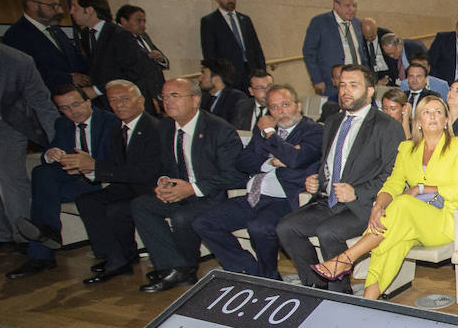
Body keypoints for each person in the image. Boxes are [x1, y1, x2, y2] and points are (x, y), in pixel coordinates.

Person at [312, 95, 458, 299]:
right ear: (418, 121)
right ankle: (368, 301)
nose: (432, 117)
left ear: (446, 120)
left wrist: (419, 189)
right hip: (410, 221)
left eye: (438, 112)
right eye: (426, 112)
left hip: (445, 221)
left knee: (403, 203)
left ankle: (347, 258)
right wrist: (378, 206)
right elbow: (393, 183)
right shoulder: (406, 149)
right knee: (390, 243)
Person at [276, 65, 405, 292]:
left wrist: (358, 192)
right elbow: (329, 162)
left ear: (370, 91)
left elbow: (393, 174)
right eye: (342, 85)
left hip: (363, 205)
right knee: (286, 227)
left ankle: (341, 293)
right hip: (328, 201)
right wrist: (316, 180)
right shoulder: (334, 121)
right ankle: (315, 286)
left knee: (328, 231)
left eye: (353, 85)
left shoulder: (387, 126)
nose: (346, 91)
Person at [192, 84, 323, 280]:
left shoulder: (313, 131)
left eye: (286, 104)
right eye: (275, 107)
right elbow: (242, 161)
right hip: (254, 196)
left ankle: (269, 279)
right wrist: (271, 162)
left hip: (284, 200)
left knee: (259, 227)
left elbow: (295, 159)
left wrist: (270, 133)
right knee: (204, 222)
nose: (281, 111)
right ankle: (250, 271)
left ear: (298, 105)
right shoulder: (262, 131)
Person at [130, 77, 246, 293]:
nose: (168, 102)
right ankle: (173, 266)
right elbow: (163, 164)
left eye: (175, 96)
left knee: (182, 217)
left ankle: (184, 268)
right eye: (164, 97)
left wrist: (192, 188)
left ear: (195, 100)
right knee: (141, 205)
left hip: (211, 196)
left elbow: (236, 175)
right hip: (180, 193)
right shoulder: (165, 126)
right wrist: (163, 182)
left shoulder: (219, 129)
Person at [7, 85, 114, 279]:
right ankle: (50, 233)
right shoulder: (63, 124)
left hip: (99, 179)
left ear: (88, 101)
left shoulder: (110, 122)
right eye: (65, 108)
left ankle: (43, 251)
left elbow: (118, 162)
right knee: (42, 172)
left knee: (44, 191)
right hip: (72, 179)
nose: (72, 112)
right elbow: (54, 150)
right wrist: (50, 154)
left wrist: (89, 165)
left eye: (75, 105)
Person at [0, 25, 58, 252]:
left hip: (6, 123)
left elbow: (42, 103)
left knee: (12, 178)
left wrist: (58, 140)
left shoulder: (19, 62)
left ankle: (23, 236)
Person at [76, 80, 163, 284]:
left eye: (125, 99)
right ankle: (116, 255)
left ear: (140, 101)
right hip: (128, 185)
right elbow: (117, 165)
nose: (119, 105)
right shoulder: (117, 129)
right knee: (87, 201)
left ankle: (118, 261)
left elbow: (144, 173)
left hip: (149, 188)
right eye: (113, 100)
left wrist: (96, 167)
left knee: (117, 209)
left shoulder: (154, 128)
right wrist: (89, 168)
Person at [68, 0, 161, 98]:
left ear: (89, 10)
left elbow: (133, 73)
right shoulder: (85, 35)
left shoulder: (119, 35)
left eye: (75, 7)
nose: (71, 12)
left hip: (123, 100)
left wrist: (97, 90)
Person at [1, 0, 88, 92]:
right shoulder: (16, 35)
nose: (60, 10)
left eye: (58, 5)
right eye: (53, 6)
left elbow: (73, 56)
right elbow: (25, 74)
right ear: (33, 6)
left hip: (74, 93)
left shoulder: (54, 28)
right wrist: (69, 78)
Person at [200, 0, 266, 97]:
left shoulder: (245, 19)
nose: (230, 0)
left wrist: (262, 71)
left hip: (251, 71)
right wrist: (217, 77)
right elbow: (209, 52)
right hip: (229, 75)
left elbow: (256, 47)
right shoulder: (210, 21)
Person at [302, 0, 365, 102]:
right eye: (347, 6)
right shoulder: (320, 22)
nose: (352, 9)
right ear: (336, 6)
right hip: (332, 83)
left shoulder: (357, 23)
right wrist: (317, 79)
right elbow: (309, 53)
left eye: (354, 6)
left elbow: (361, 52)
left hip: (357, 80)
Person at [197, 58, 248, 123]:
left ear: (216, 78)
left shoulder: (236, 98)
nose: (199, 78)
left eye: (203, 73)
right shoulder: (204, 99)